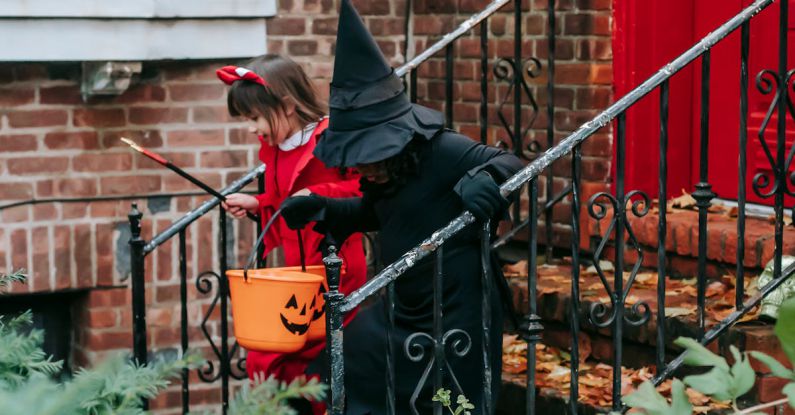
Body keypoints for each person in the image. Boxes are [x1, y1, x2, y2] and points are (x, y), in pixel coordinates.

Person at [279, 1, 523, 413]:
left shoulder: (441, 150)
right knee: (335, 371)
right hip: (404, 306)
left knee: (451, 404)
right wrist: (322, 207)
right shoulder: (385, 174)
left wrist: (483, 181)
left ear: (394, 141)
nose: (358, 167)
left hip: (456, 307)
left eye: (365, 157)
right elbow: (381, 214)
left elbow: (510, 163)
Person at [216, 55, 367, 414]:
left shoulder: (331, 138)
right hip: (296, 270)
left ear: (286, 105)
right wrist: (259, 203)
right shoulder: (278, 148)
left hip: (334, 267)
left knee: (285, 353)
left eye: (254, 117)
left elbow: (364, 192)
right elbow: (286, 201)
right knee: (282, 361)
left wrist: (317, 197)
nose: (252, 128)